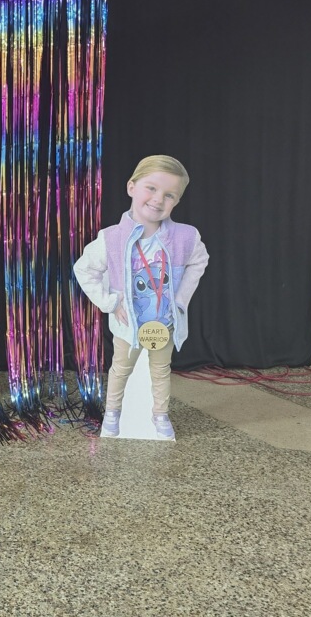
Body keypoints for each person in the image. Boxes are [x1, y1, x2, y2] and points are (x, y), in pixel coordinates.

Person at [73, 155, 209, 440]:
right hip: (128, 325)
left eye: (169, 195)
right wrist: (111, 303)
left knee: (161, 370)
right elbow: (83, 269)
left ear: (177, 201)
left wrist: (180, 301)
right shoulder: (111, 238)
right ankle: (112, 414)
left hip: (164, 323)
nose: (158, 199)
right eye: (151, 188)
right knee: (121, 369)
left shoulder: (185, 237)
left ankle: (160, 415)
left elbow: (200, 261)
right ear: (131, 187)